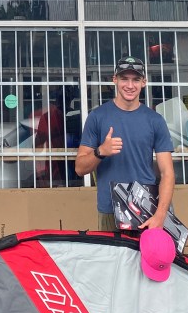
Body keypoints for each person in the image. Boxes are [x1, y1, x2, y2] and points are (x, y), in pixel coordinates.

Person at [75, 56, 175, 231]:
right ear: (115, 79)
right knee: (110, 251)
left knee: (149, 251)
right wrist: (100, 151)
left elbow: (167, 173)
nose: (130, 85)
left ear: (144, 82)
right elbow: (80, 168)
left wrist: (160, 215)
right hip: (110, 210)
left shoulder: (155, 120)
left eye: (136, 79)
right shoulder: (97, 117)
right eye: (124, 79)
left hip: (146, 209)